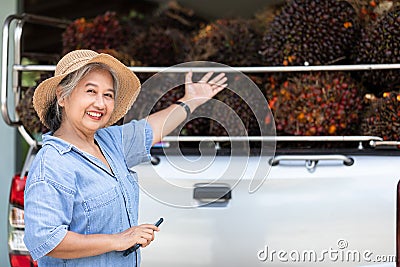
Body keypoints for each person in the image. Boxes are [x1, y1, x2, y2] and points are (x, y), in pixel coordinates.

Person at [23, 49, 227, 266]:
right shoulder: (54, 163)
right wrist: (118, 240)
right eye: (90, 91)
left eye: (108, 95)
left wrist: (190, 101)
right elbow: (46, 240)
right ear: (62, 96)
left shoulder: (109, 141)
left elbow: (152, 129)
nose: (100, 104)